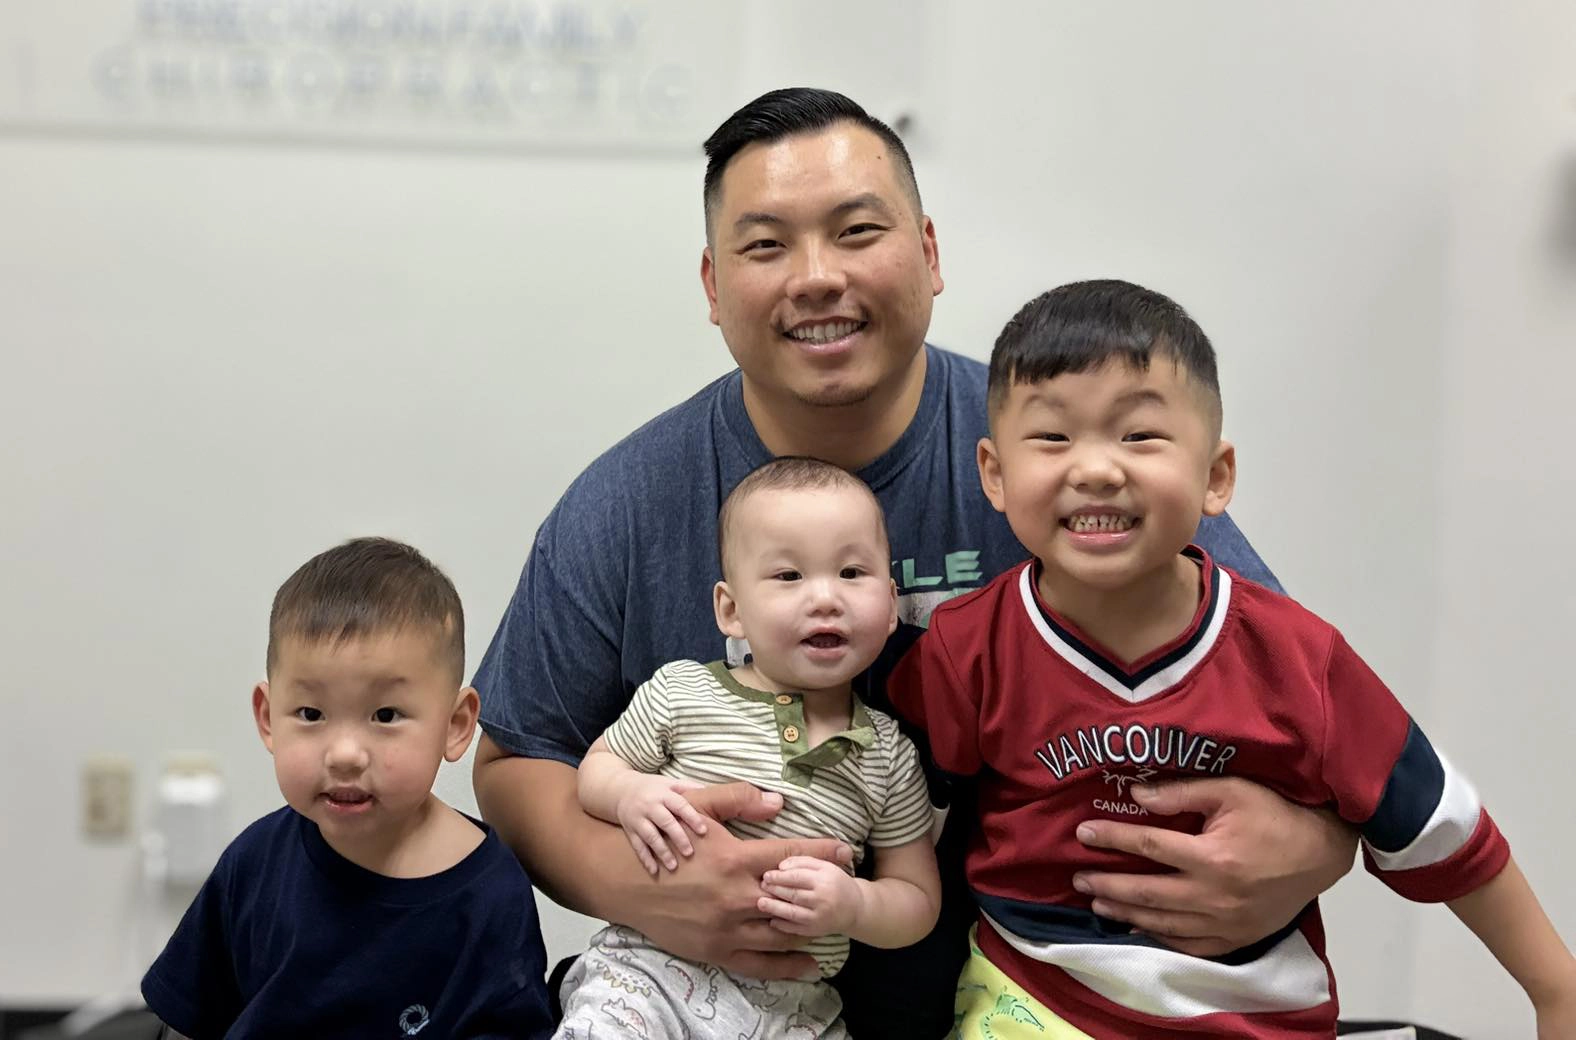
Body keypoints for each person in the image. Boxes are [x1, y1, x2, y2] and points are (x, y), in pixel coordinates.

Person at [471, 87, 1357, 1037]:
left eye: (857, 231)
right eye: (766, 245)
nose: (816, 277)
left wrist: (1315, 845)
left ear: (930, 256)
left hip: (1060, 997)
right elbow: (518, 757)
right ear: (713, 287)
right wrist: (643, 887)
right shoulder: (629, 503)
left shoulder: (1056, 457)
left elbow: (1307, 695)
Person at [889, 279, 1576, 1038]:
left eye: (1139, 436)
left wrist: (1555, 989)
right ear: (995, 474)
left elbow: (1439, 826)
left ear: (1215, 476)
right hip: (1034, 996)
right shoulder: (965, 649)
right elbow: (890, 812)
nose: (1094, 468)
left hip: (1253, 1011)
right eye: (1053, 438)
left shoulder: (1297, 659)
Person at [553, 457, 941, 1038]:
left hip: (793, 1001)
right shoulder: (684, 691)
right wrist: (631, 794)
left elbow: (916, 899)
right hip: (649, 970)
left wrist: (855, 905)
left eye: (852, 573)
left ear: (890, 606)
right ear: (731, 611)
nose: (825, 598)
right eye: (789, 577)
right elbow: (597, 769)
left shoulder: (888, 753)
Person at [141, 537, 553, 1040]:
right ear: (269, 718)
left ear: (455, 724)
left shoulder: (489, 896)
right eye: (311, 714)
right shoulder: (253, 864)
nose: (344, 754)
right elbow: (186, 1020)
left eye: (385, 715)